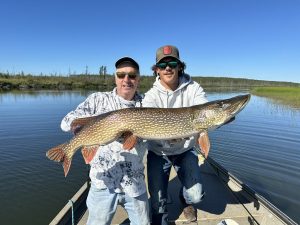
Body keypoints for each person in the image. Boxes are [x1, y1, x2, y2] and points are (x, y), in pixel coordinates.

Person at [60, 57, 150, 225]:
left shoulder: (147, 103)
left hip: (135, 182)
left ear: (138, 78)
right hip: (103, 183)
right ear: (115, 77)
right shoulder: (98, 99)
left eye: (132, 75)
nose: (126, 80)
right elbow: (66, 122)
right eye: (121, 74)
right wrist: (90, 127)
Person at [142, 45, 208, 224]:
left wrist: (204, 131)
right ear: (156, 70)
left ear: (180, 66)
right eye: (163, 65)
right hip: (158, 153)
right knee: (157, 206)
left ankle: (185, 199)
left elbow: (203, 112)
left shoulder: (193, 88)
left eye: (172, 63)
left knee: (196, 196)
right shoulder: (150, 97)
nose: (168, 68)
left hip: (185, 150)